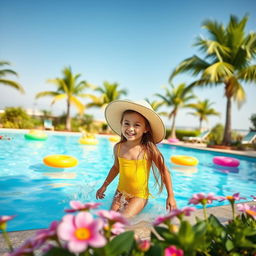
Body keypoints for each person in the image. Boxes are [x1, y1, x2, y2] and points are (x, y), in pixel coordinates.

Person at [96, 99, 176, 218]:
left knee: (122, 220)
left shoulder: (148, 150)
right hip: (120, 193)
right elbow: (116, 168)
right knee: (109, 219)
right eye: (126, 123)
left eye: (137, 125)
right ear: (121, 124)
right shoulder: (118, 147)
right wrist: (104, 185)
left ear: (145, 129)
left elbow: (164, 170)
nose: (130, 128)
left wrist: (170, 195)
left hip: (139, 196)